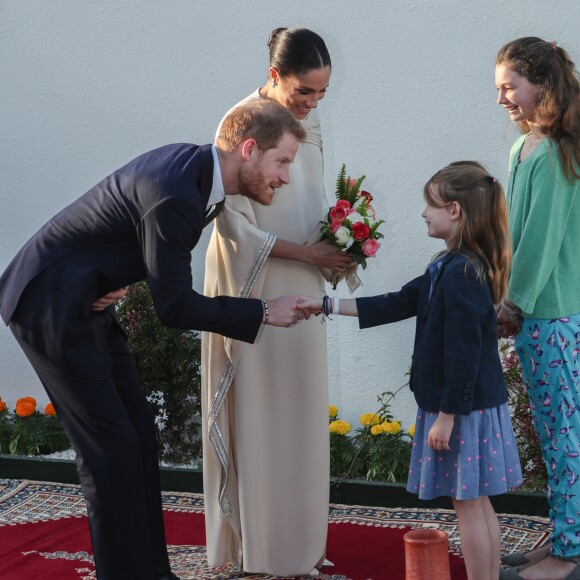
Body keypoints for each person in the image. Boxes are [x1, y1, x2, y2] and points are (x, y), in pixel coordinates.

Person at [0, 98, 309, 580]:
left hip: (85, 297)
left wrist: (108, 273)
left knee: (139, 434)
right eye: (282, 162)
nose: (286, 176)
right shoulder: (178, 192)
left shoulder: (194, 176)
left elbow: (126, 234)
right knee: (110, 451)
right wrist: (264, 311)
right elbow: (175, 306)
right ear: (249, 149)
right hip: (49, 304)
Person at [300, 162, 523, 580]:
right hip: (470, 404)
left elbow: (464, 353)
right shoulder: (450, 265)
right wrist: (326, 304)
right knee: (477, 502)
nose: (424, 212)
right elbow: (398, 302)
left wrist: (446, 417)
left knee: (469, 505)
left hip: (462, 408)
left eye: (430, 204)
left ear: (455, 211)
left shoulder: (461, 273)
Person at [202, 28, 353, 576]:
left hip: (306, 282)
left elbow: (310, 201)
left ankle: (302, 544)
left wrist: (344, 239)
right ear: (274, 76)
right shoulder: (238, 124)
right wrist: (308, 255)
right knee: (262, 410)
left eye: (320, 95)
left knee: (302, 407)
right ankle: (260, 548)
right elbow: (233, 225)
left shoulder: (306, 132)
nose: (311, 105)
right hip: (254, 288)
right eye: (302, 92)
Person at [494, 37, 580, 580]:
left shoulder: (553, 152)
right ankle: (562, 535)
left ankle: (571, 554)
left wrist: (513, 303)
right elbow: (512, 233)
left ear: (541, 87)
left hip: (549, 314)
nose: (502, 97)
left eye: (509, 86)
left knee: (563, 433)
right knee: (555, 433)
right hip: (535, 313)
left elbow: (541, 241)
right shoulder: (525, 146)